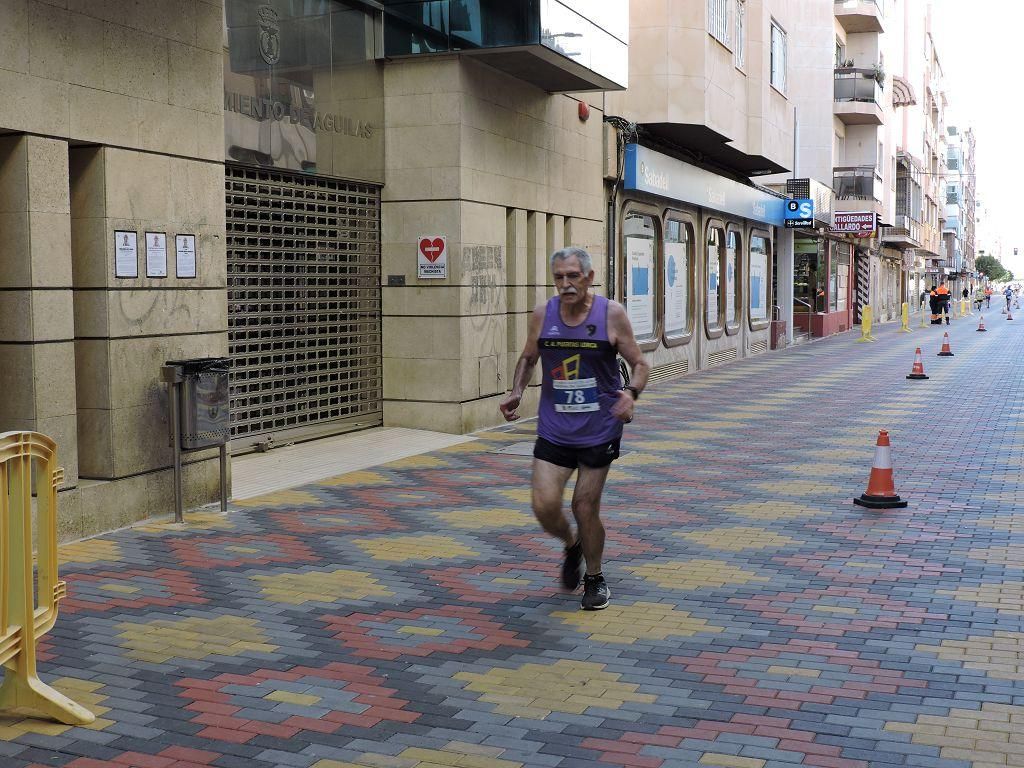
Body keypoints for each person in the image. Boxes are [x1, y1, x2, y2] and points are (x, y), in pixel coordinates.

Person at [499, 247, 649, 611]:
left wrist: (630, 394)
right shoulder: (542, 314)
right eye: (559, 277)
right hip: (554, 428)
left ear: (589, 276)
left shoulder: (611, 314)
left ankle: (594, 577)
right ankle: (572, 545)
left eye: (573, 276)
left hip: (600, 427)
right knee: (544, 506)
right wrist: (518, 390)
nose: (566, 285)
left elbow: (640, 364)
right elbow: (529, 357)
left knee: (584, 505)